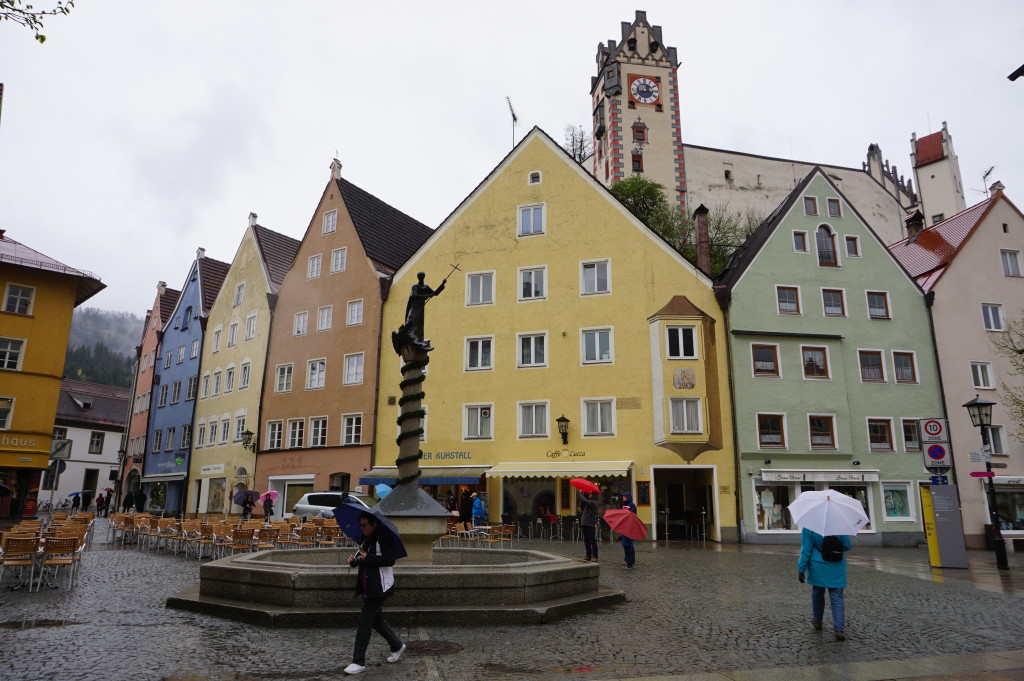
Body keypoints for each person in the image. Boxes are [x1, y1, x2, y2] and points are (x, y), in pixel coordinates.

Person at [344, 512, 406, 675]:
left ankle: (358, 661)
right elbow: (365, 558)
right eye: (361, 525)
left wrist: (367, 557)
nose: (362, 528)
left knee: (364, 623)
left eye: (365, 525)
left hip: (379, 585)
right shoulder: (367, 539)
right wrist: (355, 561)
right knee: (376, 620)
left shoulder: (383, 538)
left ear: (375, 524)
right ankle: (397, 645)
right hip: (370, 584)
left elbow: (390, 560)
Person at [797, 527, 852, 641]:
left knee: (817, 593)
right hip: (837, 565)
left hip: (818, 565)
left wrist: (801, 569)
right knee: (837, 596)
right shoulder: (838, 524)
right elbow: (847, 545)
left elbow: (806, 550)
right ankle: (839, 629)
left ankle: (818, 621)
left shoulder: (810, 526)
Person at [578, 490, 598, 562]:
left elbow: (584, 500)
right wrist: (583, 494)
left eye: (590, 493)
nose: (589, 493)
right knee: (586, 540)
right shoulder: (589, 502)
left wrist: (580, 493)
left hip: (590, 524)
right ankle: (588, 555)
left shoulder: (593, 502)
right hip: (585, 523)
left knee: (592, 541)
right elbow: (583, 502)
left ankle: (595, 556)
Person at [620, 493, 637, 569]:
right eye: (623, 496)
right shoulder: (623, 505)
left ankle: (629, 562)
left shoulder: (632, 505)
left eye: (624, 497)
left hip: (629, 526)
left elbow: (632, 515)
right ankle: (629, 559)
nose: (623, 498)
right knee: (627, 544)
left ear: (628, 497)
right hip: (624, 526)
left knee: (628, 545)